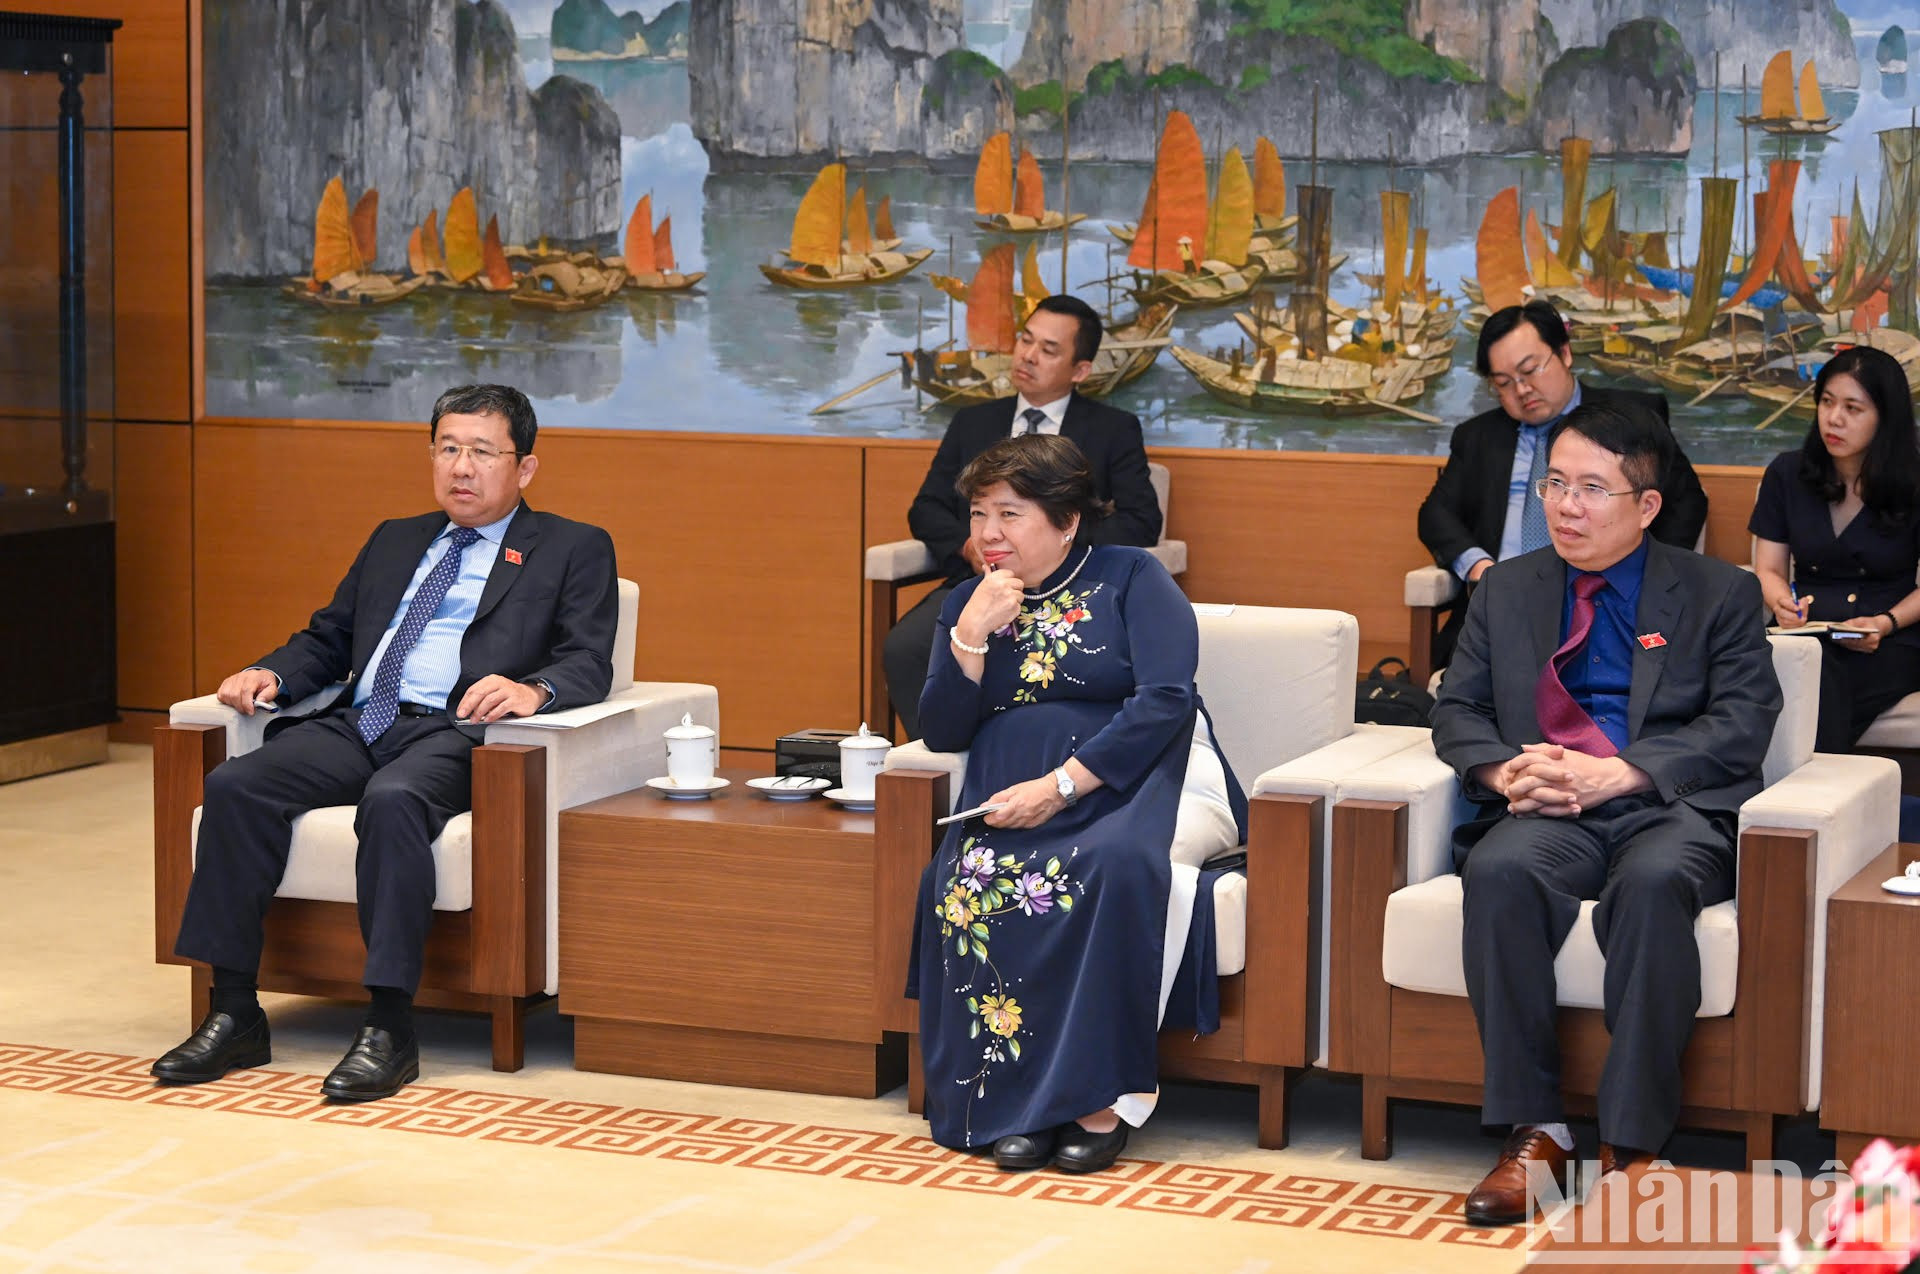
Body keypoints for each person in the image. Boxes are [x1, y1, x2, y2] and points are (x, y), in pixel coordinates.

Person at [153, 384, 619, 1102]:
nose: (461, 467)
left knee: (394, 801)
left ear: (524, 468)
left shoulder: (571, 548)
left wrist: (534, 692)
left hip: (457, 732)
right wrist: (272, 671)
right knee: (236, 786)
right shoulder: (395, 538)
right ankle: (234, 1010)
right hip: (363, 720)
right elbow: (330, 638)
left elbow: (588, 658)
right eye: (448, 448)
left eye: (482, 452)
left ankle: (389, 1026)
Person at [1431, 402, 1780, 1225]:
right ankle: (1537, 1133)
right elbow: (1457, 711)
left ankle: (1634, 1147)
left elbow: (1740, 723)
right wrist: (1504, 769)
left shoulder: (1718, 592)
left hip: (1667, 807)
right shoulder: (1507, 588)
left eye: (1592, 489)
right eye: (1556, 483)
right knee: (1501, 870)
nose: (1565, 506)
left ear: (1648, 505)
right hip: (1548, 808)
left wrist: (1619, 774)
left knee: (1655, 887)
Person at [908, 434, 1248, 1175]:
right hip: (1006, 786)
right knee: (964, 882)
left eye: (1010, 514)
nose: (988, 534)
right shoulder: (969, 602)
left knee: (1111, 865)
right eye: (977, 514)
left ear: (1066, 522)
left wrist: (1063, 785)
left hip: (1137, 774)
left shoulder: (1132, 577)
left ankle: (1099, 1100)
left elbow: (1165, 702)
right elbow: (941, 731)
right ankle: (1016, 1099)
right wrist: (970, 636)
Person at [883, 293, 1162, 740]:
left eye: (1048, 349)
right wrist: (971, 546)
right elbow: (927, 509)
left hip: (1074, 588)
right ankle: (944, 761)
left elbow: (1141, 520)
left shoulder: (1112, 430)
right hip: (977, 581)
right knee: (905, 646)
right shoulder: (973, 423)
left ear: (1080, 370)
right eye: (1025, 340)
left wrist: (1051, 548)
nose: (1028, 355)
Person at [1417, 300, 1710, 670]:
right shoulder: (1477, 437)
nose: (1522, 390)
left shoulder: (1631, 417)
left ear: (1565, 354)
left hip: (1609, 602)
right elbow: (1435, 513)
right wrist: (1480, 569)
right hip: (1505, 610)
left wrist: (1644, 580)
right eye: (1504, 383)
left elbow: (1686, 502)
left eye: (1530, 370)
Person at [1750, 344, 1920, 751]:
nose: (1834, 418)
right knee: (1763, 669)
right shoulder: (1787, 474)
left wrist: (1885, 623)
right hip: (1807, 628)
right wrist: (1781, 605)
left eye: (1853, 408)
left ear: (1885, 417)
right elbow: (1768, 569)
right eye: (1827, 402)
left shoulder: (1914, 480)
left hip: (1892, 635)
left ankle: (1798, 801)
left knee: (1821, 681)